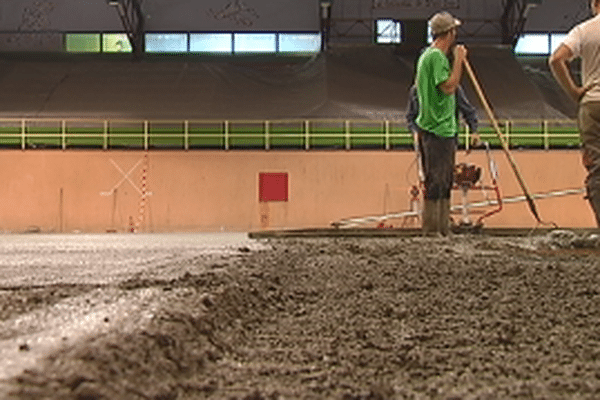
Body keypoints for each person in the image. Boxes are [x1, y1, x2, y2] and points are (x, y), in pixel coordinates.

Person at [413, 11, 467, 235]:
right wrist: (459, 61)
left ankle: (439, 228)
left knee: (439, 179)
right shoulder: (436, 57)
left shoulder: (426, 56)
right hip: (439, 130)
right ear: (449, 33)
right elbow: (448, 86)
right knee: (440, 181)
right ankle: (436, 228)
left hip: (432, 129)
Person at [549, 0, 600, 226]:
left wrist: (574, 92)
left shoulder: (584, 30)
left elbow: (556, 59)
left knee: (597, 169)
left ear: (596, 3)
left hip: (592, 104)